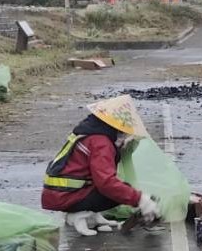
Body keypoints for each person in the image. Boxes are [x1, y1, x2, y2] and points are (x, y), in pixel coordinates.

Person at [42, 95, 161, 236]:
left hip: (59, 193)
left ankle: (92, 215)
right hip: (65, 196)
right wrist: (141, 200)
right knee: (116, 193)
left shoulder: (89, 132)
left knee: (117, 189)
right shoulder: (101, 143)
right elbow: (106, 183)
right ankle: (77, 215)